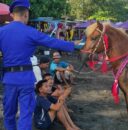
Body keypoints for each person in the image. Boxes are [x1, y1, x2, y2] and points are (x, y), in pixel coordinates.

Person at [0, 0, 78, 130]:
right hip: (25, 79)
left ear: (13, 15)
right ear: (26, 15)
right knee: (25, 114)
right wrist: (73, 45)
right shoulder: (31, 32)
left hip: (9, 79)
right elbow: (52, 42)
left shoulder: (2, 31)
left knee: (9, 114)